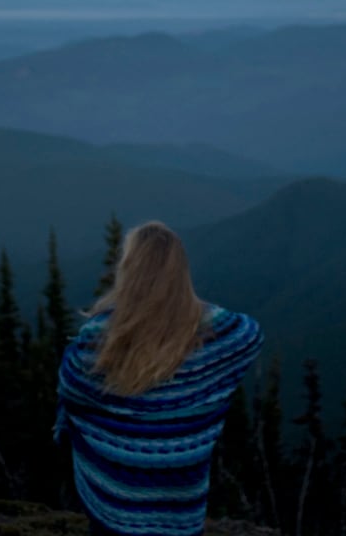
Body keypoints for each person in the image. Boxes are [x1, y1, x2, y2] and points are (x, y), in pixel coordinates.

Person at [54, 220, 264, 536]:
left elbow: (70, 394)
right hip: (181, 513)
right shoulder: (219, 338)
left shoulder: (94, 342)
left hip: (114, 509)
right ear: (181, 273)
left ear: (128, 272)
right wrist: (194, 312)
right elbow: (251, 332)